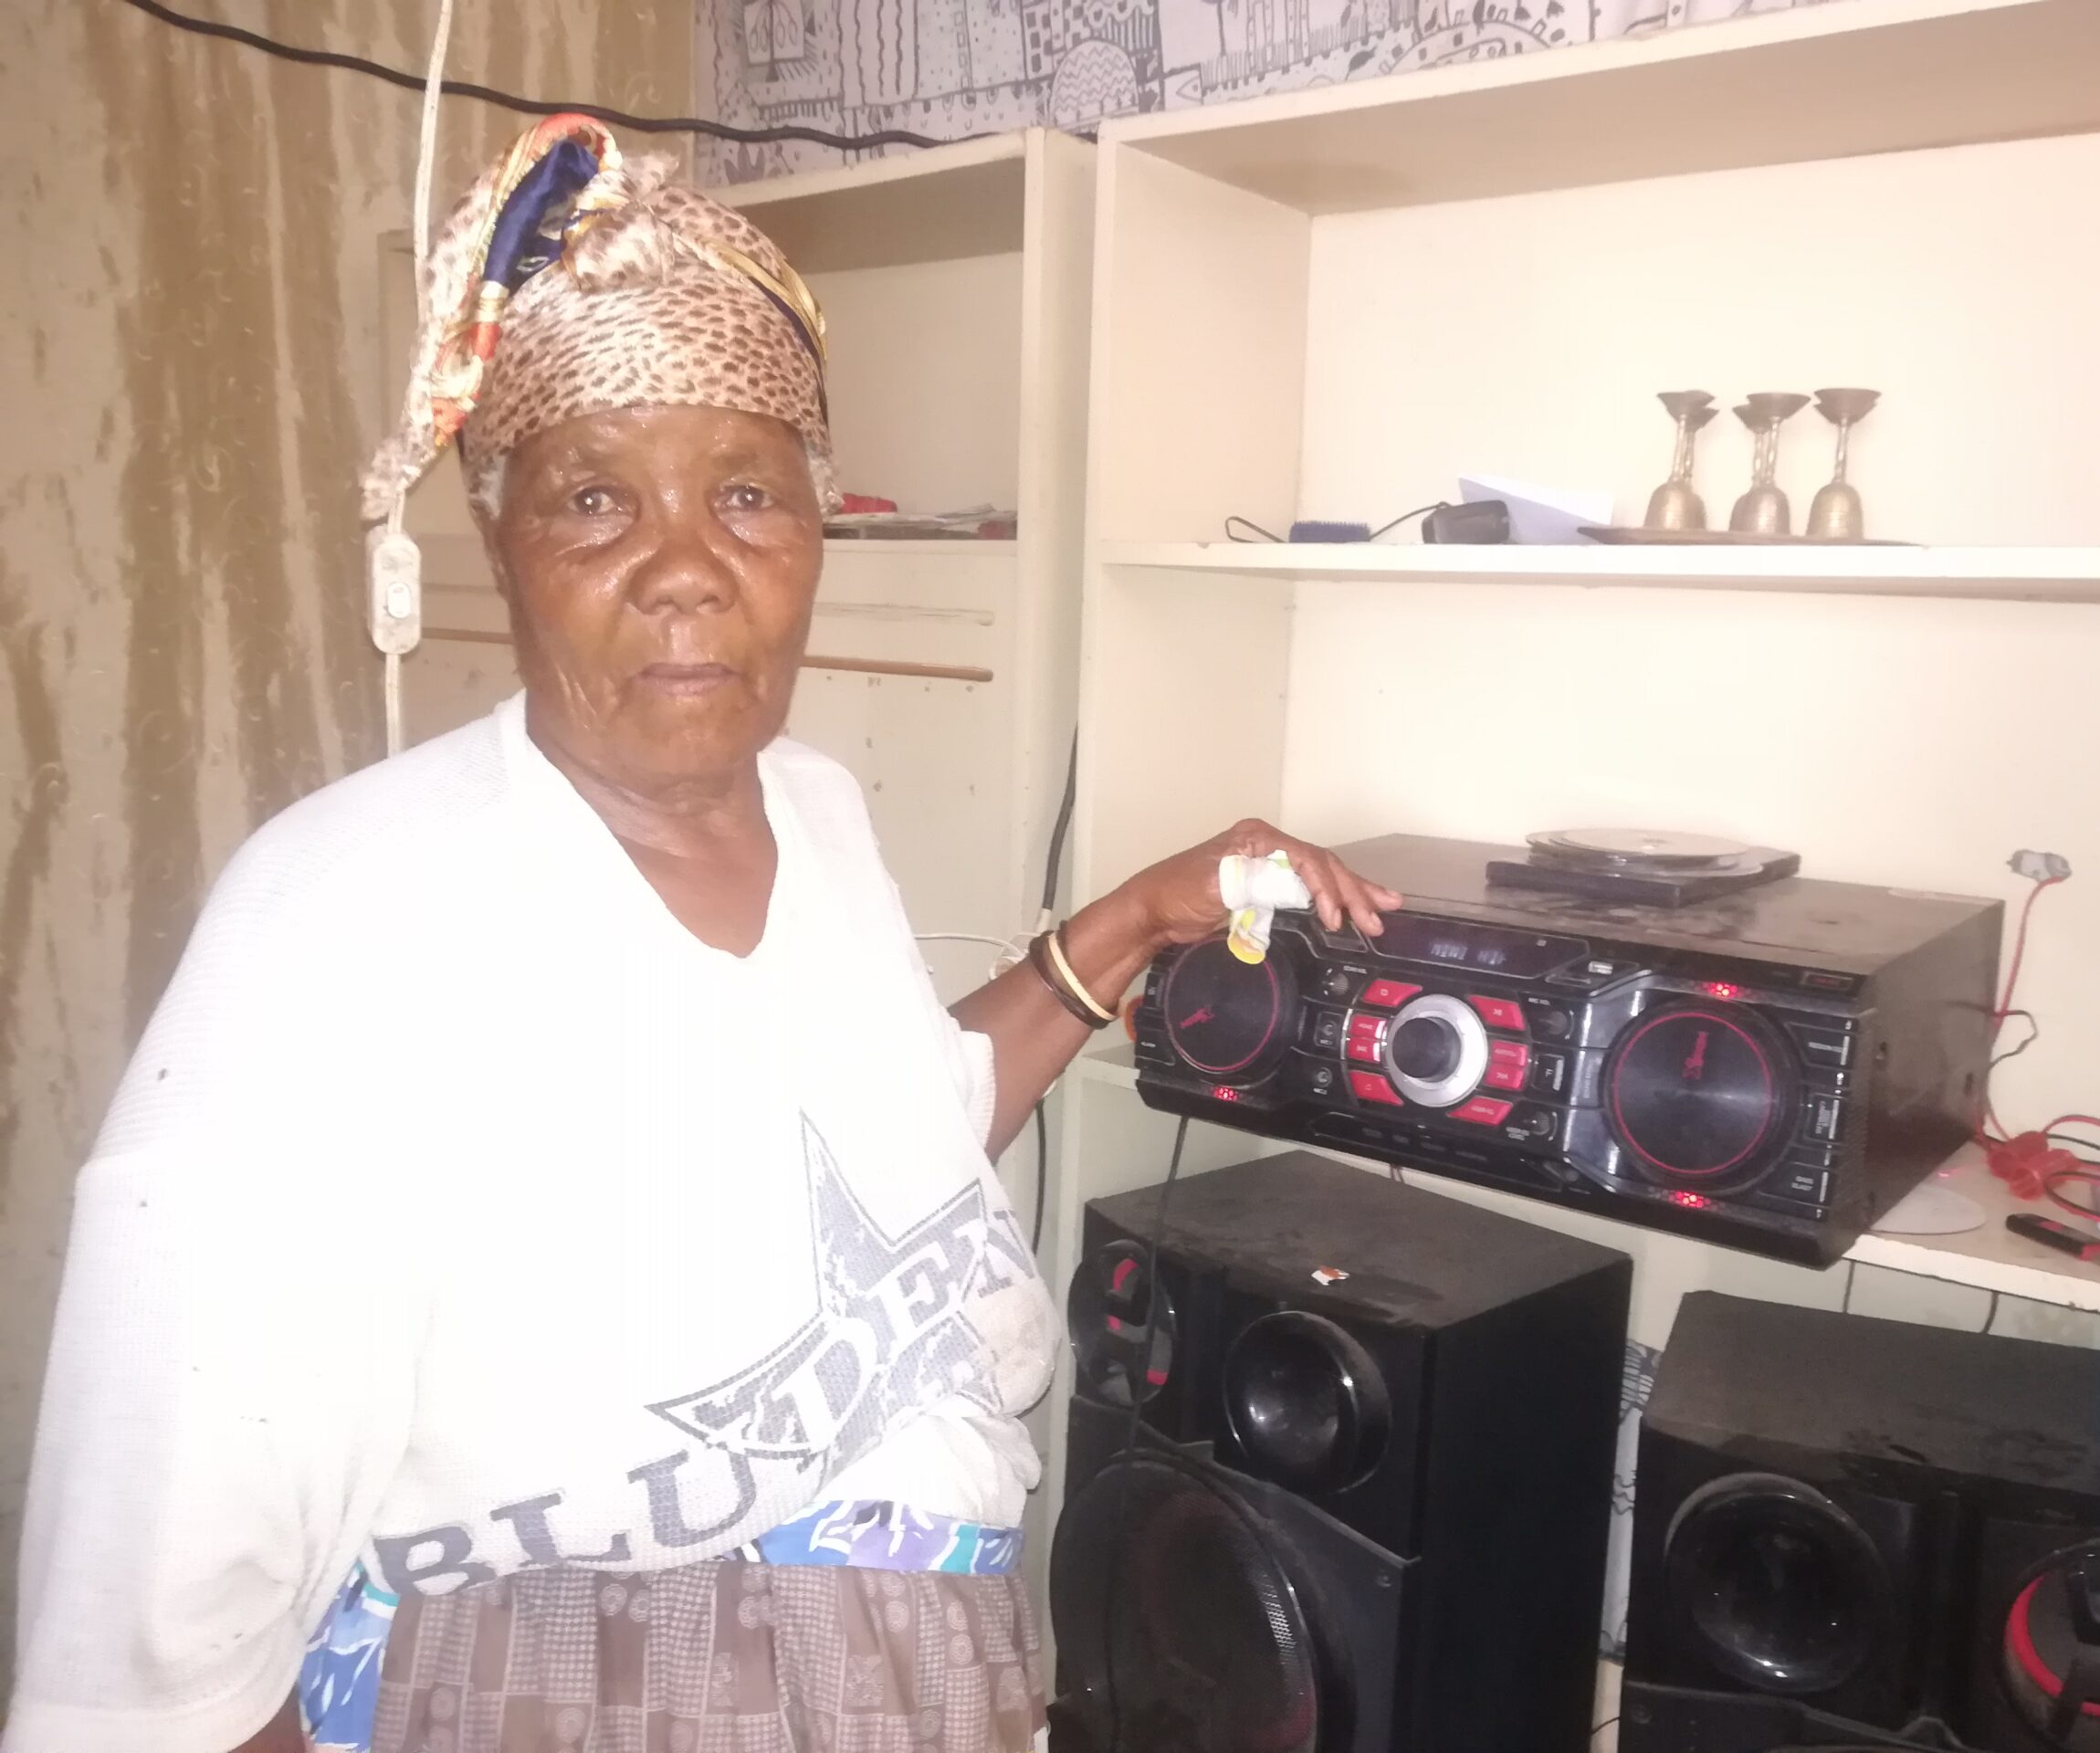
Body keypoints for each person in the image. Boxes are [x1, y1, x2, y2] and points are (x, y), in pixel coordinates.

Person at [3, 116, 1399, 1753]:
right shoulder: (341, 916)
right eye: (597, 500)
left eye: (747, 494)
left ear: (818, 527)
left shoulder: (817, 809)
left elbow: (891, 1158)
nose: (688, 571)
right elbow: (159, 1614)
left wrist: (1137, 918)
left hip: (926, 1680)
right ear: (500, 538)